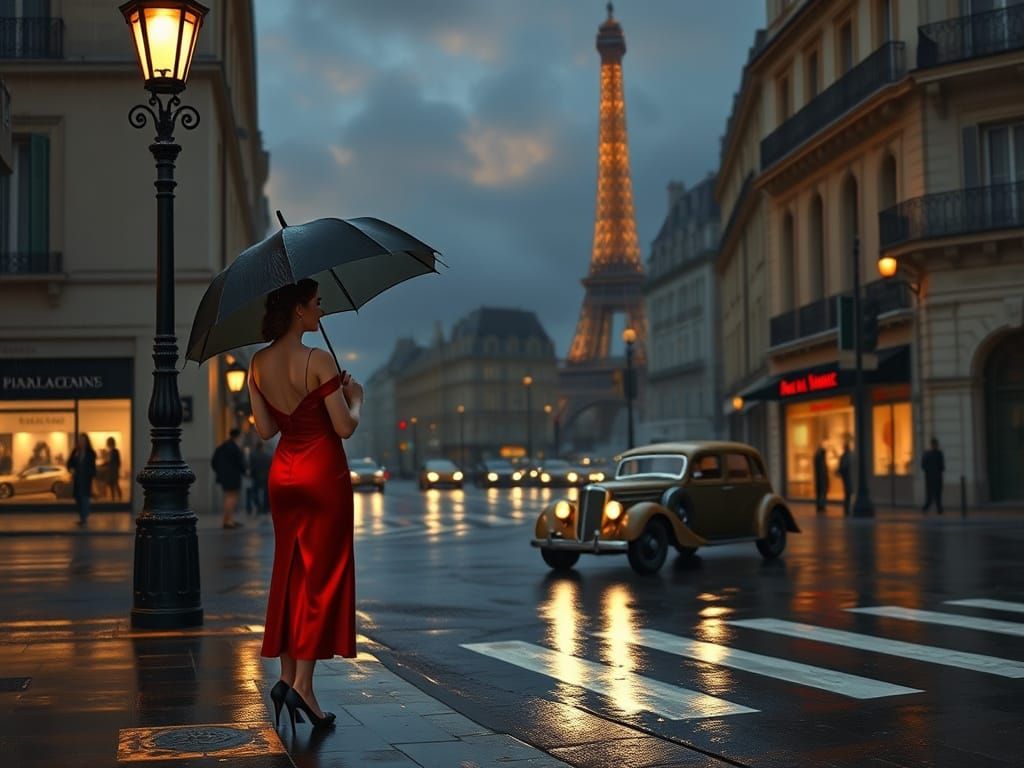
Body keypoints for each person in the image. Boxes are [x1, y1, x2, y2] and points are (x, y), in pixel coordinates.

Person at [248, 278, 362, 734]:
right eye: (317, 304)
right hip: (322, 475)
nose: (321, 311)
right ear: (298, 310)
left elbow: (263, 430)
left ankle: (285, 677)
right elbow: (345, 428)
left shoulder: (257, 363)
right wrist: (355, 399)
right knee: (322, 578)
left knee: (290, 573)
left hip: (284, 476)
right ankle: (303, 686)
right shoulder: (318, 359)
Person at [212, 428, 247, 529]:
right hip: (233, 476)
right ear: (238, 436)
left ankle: (228, 520)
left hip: (224, 476)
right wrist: (245, 471)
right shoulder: (235, 448)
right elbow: (240, 463)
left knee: (228, 497)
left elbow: (214, 461)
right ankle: (228, 521)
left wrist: (220, 472)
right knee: (231, 498)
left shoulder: (222, 446)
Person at [67, 433, 97, 526]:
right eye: (80, 440)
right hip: (77, 479)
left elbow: (93, 467)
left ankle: (84, 518)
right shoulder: (76, 452)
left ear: (86, 441)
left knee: (85, 498)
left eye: (83, 440)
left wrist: (91, 476)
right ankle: (82, 517)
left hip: (86, 479)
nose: (81, 442)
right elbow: (69, 463)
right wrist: (71, 469)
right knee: (78, 498)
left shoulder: (90, 453)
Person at [921, 437, 945, 514]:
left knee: (932, 494)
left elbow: (924, 466)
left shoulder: (928, 454)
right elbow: (942, 466)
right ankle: (936, 508)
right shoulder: (937, 454)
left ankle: (933, 508)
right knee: (935, 494)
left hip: (931, 477)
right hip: (935, 477)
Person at [248, 440, 272, 515]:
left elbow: (251, 466)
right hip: (266, 477)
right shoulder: (267, 456)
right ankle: (265, 508)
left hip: (256, 477)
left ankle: (259, 507)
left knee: (255, 493)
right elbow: (270, 467)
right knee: (266, 494)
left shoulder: (252, 456)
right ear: (262, 447)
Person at [837, 437, 854, 517]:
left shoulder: (845, 456)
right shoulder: (847, 456)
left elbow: (842, 467)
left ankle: (847, 509)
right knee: (848, 493)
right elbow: (843, 467)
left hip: (848, 477)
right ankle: (847, 509)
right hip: (848, 477)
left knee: (848, 493)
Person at [105, 437, 122, 502]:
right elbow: (108, 461)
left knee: (115, 483)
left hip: (114, 470)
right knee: (112, 484)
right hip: (111, 470)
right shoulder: (110, 451)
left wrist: (116, 469)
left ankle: (119, 497)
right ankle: (113, 498)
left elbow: (118, 462)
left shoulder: (115, 451)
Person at [813, 442, 828, 513]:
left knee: (820, 493)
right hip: (821, 480)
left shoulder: (818, 458)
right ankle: (821, 507)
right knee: (821, 493)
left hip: (820, 480)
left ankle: (820, 506)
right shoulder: (820, 459)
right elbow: (822, 471)